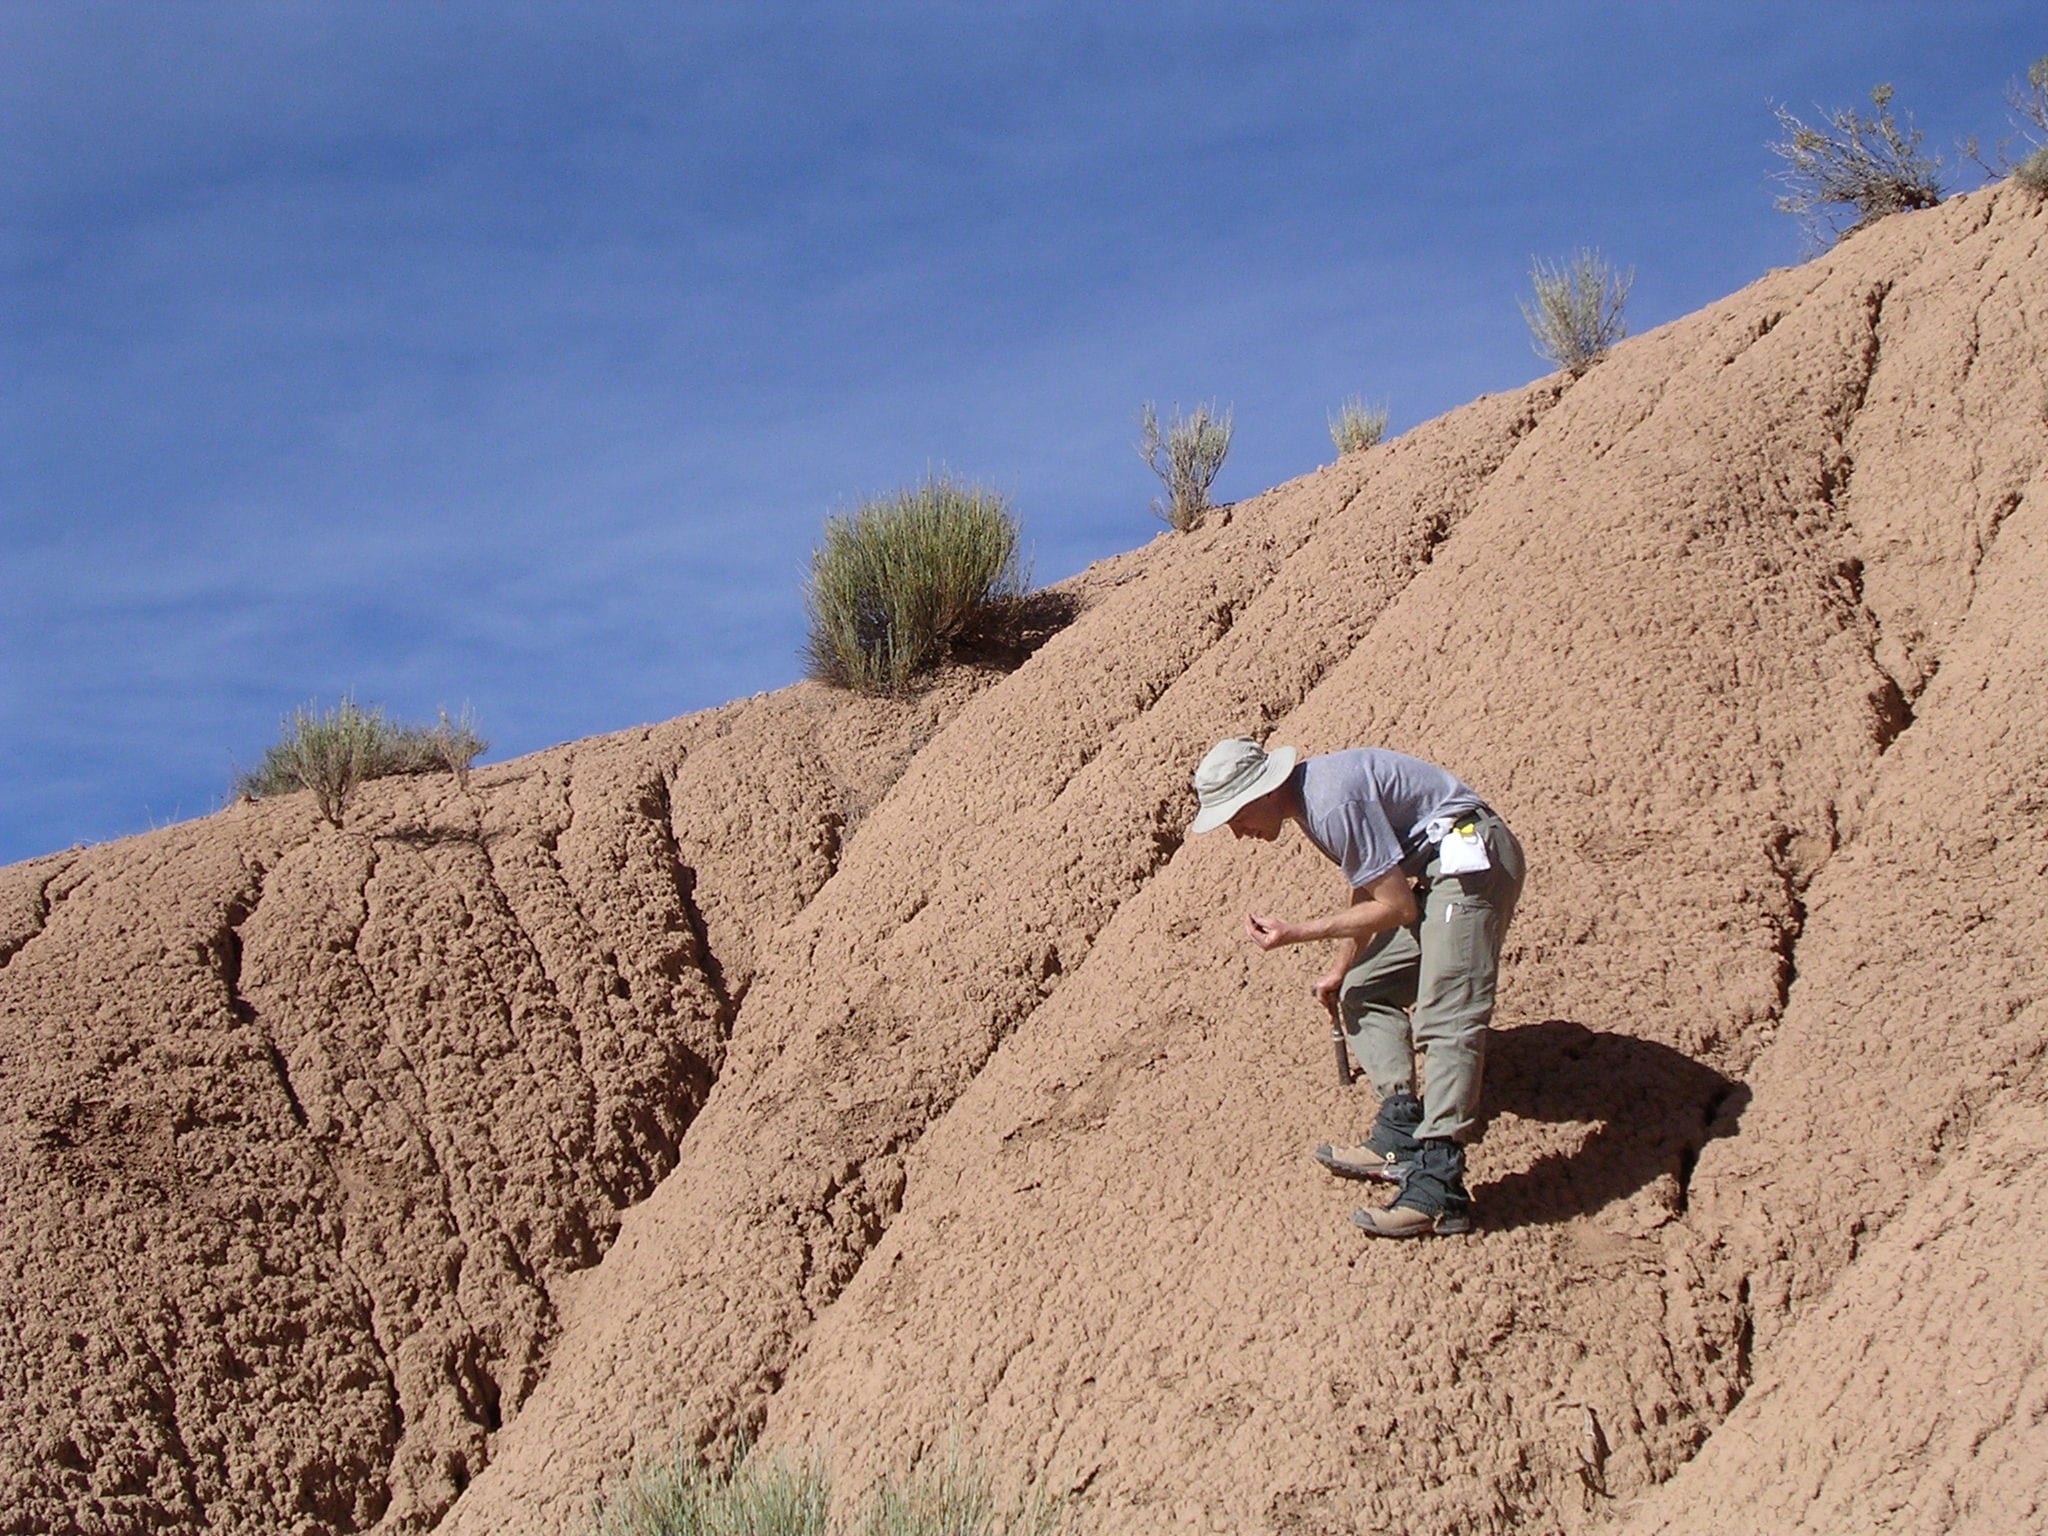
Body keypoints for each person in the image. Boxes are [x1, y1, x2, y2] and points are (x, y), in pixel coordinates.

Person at [1189, 737, 1525, 1238]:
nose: (1238, 833)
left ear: (1260, 793)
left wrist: (1298, 932)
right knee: (1364, 989)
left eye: (1234, 816)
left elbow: (1400, 909)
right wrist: (1342, 968)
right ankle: (1401, 1130)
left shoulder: (1330, 801)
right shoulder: (1312, 800)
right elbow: (1371, 884)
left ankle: (1439, 1187)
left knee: (1445, 1014)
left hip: (1473, 862)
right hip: (1439, 871)